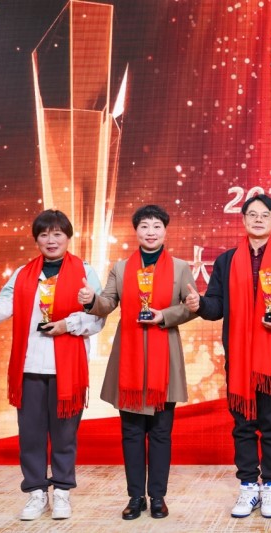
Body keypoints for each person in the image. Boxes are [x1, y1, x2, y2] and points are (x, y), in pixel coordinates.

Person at [0, 209, 104, 521]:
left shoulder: (85, 271)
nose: (51, 240)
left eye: (57, 234)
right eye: (44, 234)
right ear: (36, 240)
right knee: (30, 435)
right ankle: (36, 493)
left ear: (68, 237)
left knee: (65, 436)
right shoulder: (22, 274)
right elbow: (1, 308)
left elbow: (98, 317)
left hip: (67, 370)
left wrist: (67, 324)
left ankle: (62, 491)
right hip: (29, 368)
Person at [79, 204, 197, 520]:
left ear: (165, 231)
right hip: (128, 360)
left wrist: (165, 315)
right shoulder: (120, 268)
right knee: (131, 434)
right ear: (136, 231)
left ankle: (157, 497)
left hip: (165, 360)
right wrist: (91, 301)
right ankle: (135, 497)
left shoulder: (181, 267)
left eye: (156, 226)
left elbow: (190, 308)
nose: (150, 232)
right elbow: (107, 303)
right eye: (144, 226)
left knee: (160, 433)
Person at [192, 194, 271, 519]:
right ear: (243, 220)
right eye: (252, 214)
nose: (258, 219)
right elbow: (216, 306)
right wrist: (199, 304)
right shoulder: (227, 261)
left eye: (264, 215)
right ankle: (247, 487)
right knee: (243, 425)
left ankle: (270, 487)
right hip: (240, 359)